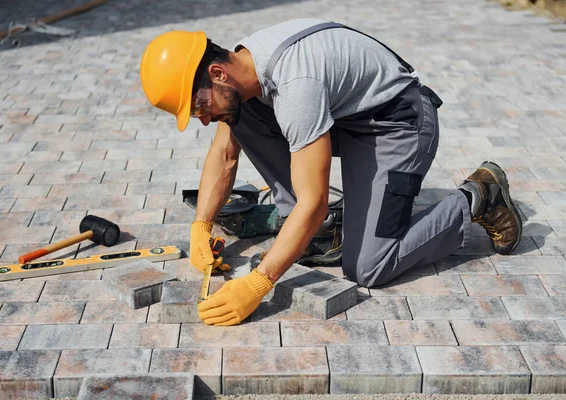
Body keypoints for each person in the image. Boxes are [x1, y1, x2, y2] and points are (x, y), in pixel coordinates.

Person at [139, 19, 522, 326]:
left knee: (370, 265)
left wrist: (258, 284)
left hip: (398, 123)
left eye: (198, 106)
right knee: (241, 115)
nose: (202, 119)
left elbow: (316, 200)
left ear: (218, 73)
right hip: (347, 116)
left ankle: (477, 197)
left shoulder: (294, 84)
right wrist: (201, 226)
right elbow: (224, 153)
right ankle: (313, 231)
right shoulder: (244, 66)